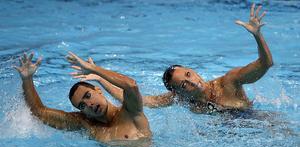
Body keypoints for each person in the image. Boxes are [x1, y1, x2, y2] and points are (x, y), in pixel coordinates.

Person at [75, 4, 273, 113]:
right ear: (178, 93)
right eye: (184, 84)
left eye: (188, 74)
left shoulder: (229, 82)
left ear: (192, 69)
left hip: (258, 123)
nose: (192, 82)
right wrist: (101, 78)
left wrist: (257, 35)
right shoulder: (183, 101)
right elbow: (139, 99)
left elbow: (265, 64)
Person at [14, 52, 151, 143]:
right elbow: (39, 112)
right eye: (82, 105)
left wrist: (95, 70)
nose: (89, 104)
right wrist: (27, 80)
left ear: (98, 90)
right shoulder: (85, 124)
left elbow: (131, 85)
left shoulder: (130, 112)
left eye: (88, 96)